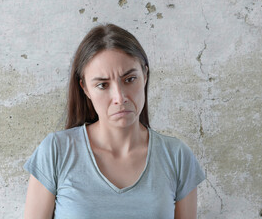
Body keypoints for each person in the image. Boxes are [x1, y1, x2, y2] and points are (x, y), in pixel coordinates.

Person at [23, 24, 205, 219]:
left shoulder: (176, 156)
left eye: (129, 79)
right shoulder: (56, 151)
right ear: (85, 89)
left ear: (145, 75)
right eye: (103, 85)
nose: (119, 97)